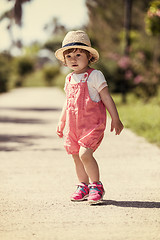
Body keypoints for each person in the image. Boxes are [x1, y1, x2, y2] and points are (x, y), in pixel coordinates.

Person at [55, 30, 123, 204]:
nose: (73, 59)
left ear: (89, 57)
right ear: (65, 60)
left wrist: (115, 118)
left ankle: (96, 186)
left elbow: (106, 97)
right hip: (74, 126)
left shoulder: (95, 76)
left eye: (78, 54)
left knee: (85, 154)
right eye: (69, 56)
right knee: (76, 156)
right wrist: (62, 121)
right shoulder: (69, 78)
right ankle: (82, 185)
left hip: (92, 125)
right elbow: (68, 101)